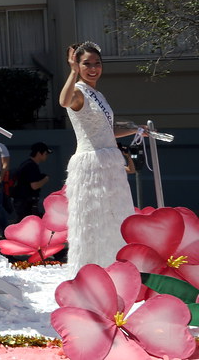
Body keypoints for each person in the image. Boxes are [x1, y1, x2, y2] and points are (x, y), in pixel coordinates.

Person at [58, 42, 139, 272]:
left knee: (116, 218)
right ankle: (91, 273)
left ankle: (117, 270)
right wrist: (72, 72)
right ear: (78, 65)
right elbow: (63, 102)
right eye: (86, 64)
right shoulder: (77, 91)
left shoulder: (98, 94)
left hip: (110, 164)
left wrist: (135, 128)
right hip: (92, 165)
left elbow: (107, 129)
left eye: (97, 63)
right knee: (93, 223)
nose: (93, 68)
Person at [11, 142, 52, 222]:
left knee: (25, 222)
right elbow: (34, 186)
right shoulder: (31, 166)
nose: (46, 156)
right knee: (26, 223)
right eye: (45, 153)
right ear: (39, 153)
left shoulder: (27, 164)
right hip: (25, 202)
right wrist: (45, 179)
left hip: (23, 201)